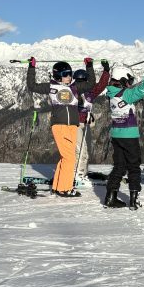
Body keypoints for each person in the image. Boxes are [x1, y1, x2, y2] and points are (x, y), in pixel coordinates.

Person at [26, 57, 96, 196]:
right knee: (70, 158)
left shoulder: (75, 87)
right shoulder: (51, 87)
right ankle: (64, 188)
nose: (69, 76)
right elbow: (32, 86)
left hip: (73, 126)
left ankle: (58, 186)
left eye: (70, 73)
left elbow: (91, 84)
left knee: (66, 158)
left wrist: (89, 66)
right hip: (60, 126)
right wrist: (32, 67)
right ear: (58, 75)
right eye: (65, 74)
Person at [104, 56, 144, 209]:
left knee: (119, 166)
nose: (130, 84)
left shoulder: (111, 93)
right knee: (133, 166)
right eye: (128, 81)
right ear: (122, 80)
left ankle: (110, 197)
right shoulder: (126, 94)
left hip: (116, 134)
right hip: (129, 135)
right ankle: (134, 200)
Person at [73, 59, 111, 185]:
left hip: (86, 124)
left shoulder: (90, 92)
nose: (80, 84)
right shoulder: (71, 91)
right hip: (74, 124)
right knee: (80, 151)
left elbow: (102, 85)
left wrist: (106, 71)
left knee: (87, 151)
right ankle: (77, 175)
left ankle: (82, 174)